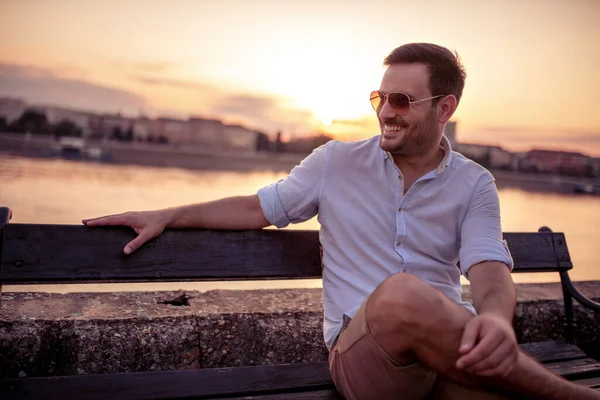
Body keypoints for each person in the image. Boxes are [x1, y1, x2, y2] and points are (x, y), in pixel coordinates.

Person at [83, 43, 599, 400]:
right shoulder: (334, 164)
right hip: (365, 359)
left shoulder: (475, 183)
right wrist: (170, 214)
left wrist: (494, 320)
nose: (386, 111)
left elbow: (488, 268)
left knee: (482, 371)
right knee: (403, 293)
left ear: (445, 108)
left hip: (446, 349)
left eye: (402, 100)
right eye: (380, 97)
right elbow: (257, 208)